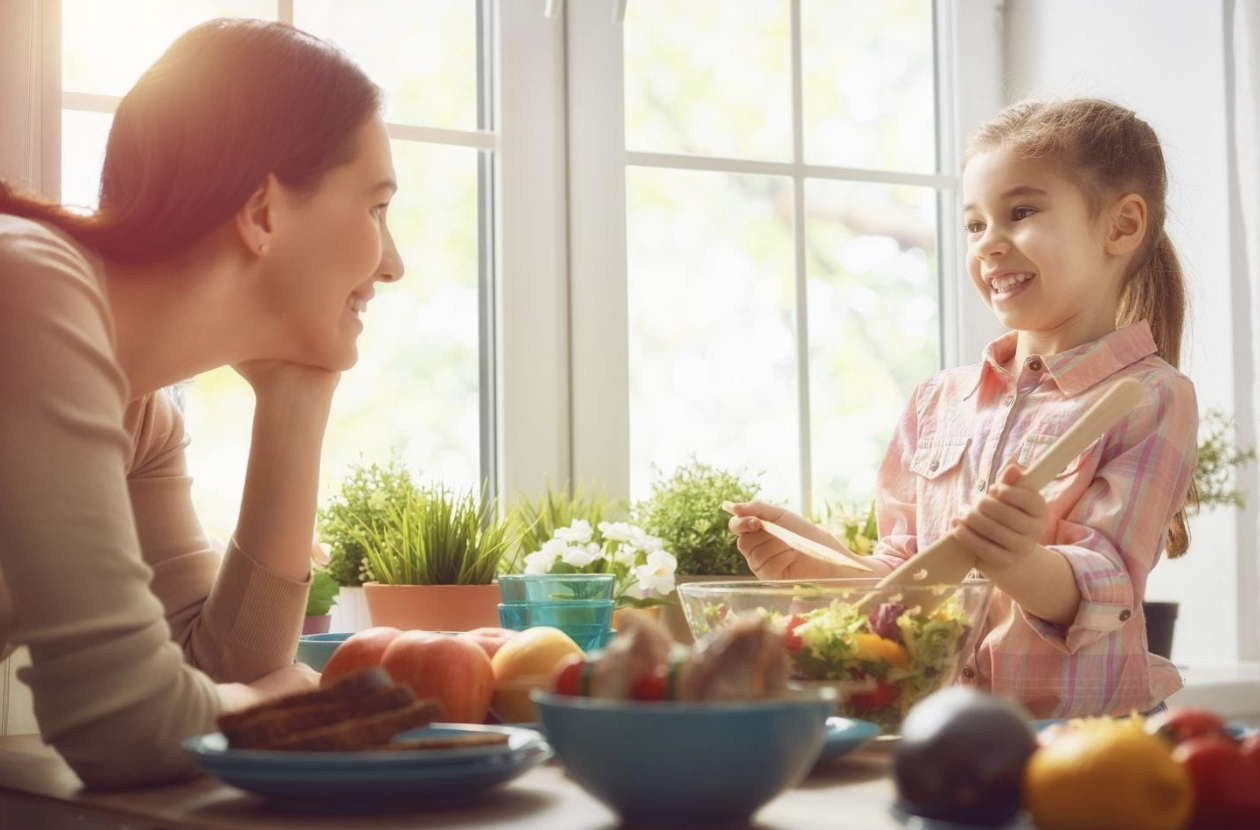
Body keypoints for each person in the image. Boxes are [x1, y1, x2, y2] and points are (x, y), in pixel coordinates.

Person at [0, 18, 403, 788]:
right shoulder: (30, 288)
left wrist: (297, 397)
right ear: (262, 213)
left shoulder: (139, 417)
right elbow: (130, 726)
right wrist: (277, 702)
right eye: (376, 207)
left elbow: (212, 667)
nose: (394, 264)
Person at [730, 98, 1198, 719]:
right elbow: (912, 582)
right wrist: (821, 565)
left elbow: (1105, 585)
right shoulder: (938, 400)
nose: (989, 244)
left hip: (1078, 742)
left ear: (1121, 225)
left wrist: (1019, 562)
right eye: (975, 224)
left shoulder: (1152, 396)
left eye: (1021, 212)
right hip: (939, 728)